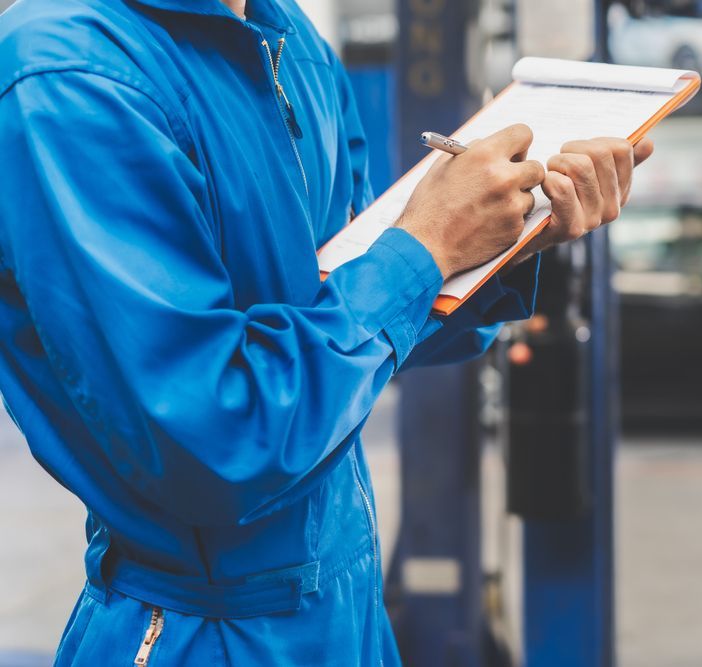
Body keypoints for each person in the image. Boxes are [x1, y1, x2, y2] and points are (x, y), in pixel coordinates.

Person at [0, 0, 652, 664]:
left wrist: (507, 230)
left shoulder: (289, 40)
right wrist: (424, 250)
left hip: (345, 608)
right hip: (201, 631)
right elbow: (218, 443)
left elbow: (355, 329)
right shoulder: (70, 74)